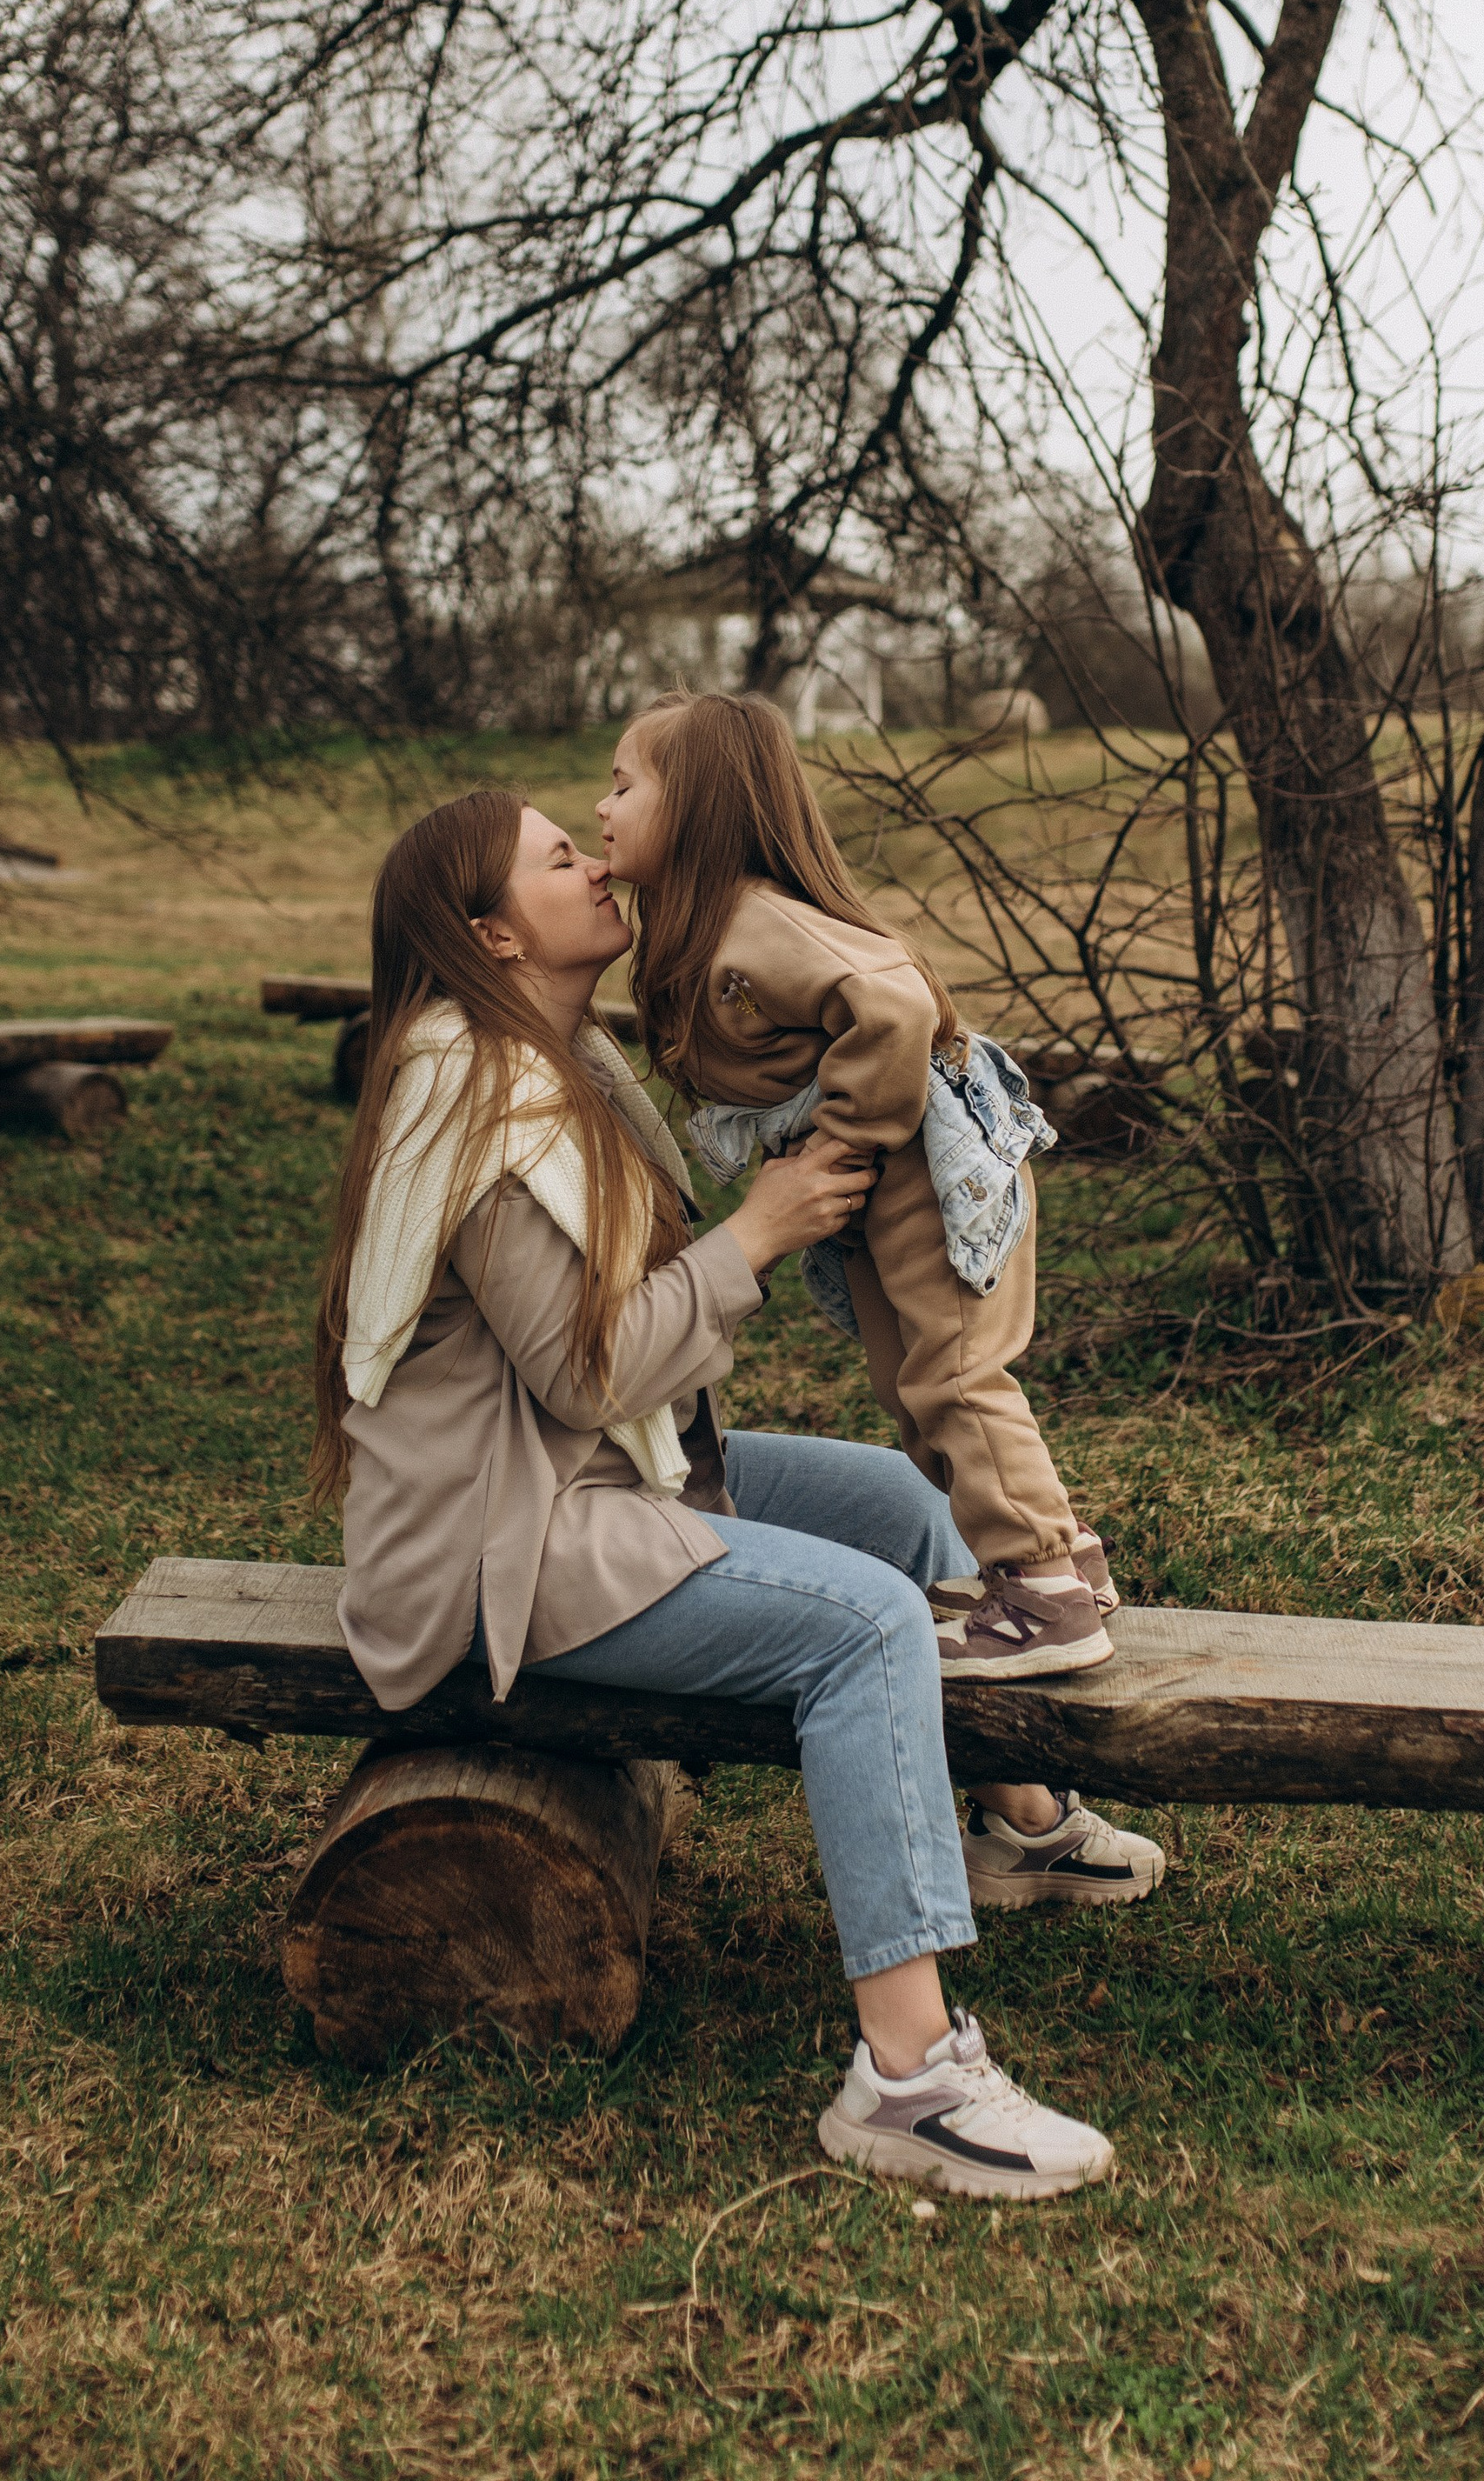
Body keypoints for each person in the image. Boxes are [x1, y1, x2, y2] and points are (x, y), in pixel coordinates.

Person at [314, 786, 1159, 2202]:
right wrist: (760, 1231)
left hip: (597, 1474)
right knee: (870, 1622)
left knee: (903, 1503)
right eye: (555, 856)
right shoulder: (479, 1101)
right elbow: (591, 1368)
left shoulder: (557, 1058)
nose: (591, 860)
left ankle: (1019, 1824)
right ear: (489, 933)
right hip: (500, 1542)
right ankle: (910, 2078)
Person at [597, 689, 1117, 1684]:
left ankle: (1045, 1592)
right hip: (893, 1180)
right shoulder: (705, 927)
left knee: (954, 1373)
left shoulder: (756, 923)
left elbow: (893, 1001)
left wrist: (844, 1141)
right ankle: (1053, 1557)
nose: (600, 806)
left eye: (623, 784)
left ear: (698, 808)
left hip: (930, 1165)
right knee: (908, 1378)